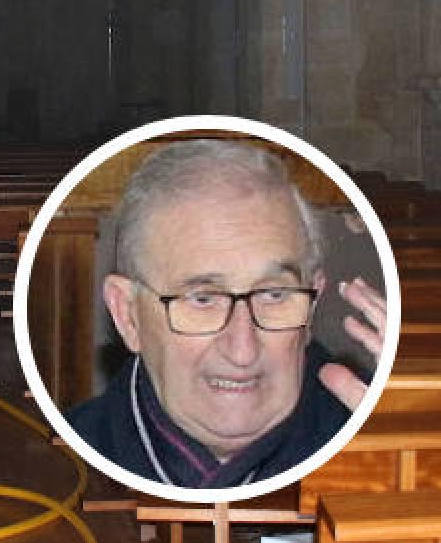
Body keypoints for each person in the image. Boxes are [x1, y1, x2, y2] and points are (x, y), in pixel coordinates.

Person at [66, 139, 386, 488]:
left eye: (274, 294)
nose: (242, 350)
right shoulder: (63, 463)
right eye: (203, 299)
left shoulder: (377, 430)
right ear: (128, 315)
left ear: (311, 308)